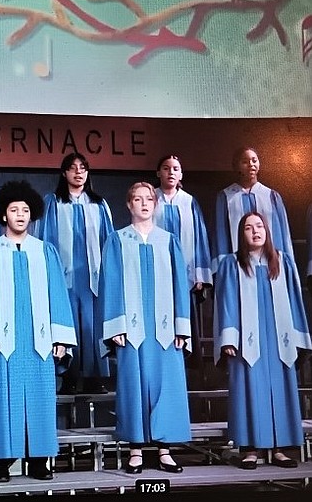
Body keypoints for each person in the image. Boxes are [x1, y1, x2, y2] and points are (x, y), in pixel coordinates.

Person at [0, 180, 76, 483]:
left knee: (40, 400)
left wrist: (61, 338)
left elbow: (58, 294)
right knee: (2, 400)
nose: (21, 215)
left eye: (25, 210)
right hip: (4, 342)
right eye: (14, 210)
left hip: (38, 340)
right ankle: (0, 462)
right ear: (3, 215)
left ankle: (40, 460)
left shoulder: (45, 251)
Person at [99, 182, 191, 474]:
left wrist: (182, 327)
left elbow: (180, 286)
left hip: (165, 330)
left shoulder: (168, 240)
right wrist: (115, 325)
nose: (143, 203)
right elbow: (110, 284)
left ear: (155, 203)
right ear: (128, 205)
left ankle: (165, 450)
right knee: (132, 386)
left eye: (148, 199)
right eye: (137, 199)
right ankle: (135, 449)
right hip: (133, 330)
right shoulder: (117, 240)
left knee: (167, 386)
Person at [214, 212, 312, 470]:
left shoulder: (283, 262)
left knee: (279, 389)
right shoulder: (231, 264)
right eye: (248, 227)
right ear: (241, 234)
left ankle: (279, 448)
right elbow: (225, 302)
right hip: (246, 340)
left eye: (259, 226)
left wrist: (299, 336)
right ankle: (250, 450)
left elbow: (294, 301)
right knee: (248, 389)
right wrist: (228, 337)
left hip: (279, 338)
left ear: (267, 230)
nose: (255, 231)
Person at [38, 152, 113, 394]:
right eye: (73, 168)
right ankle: (68, 377)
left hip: (93, 275)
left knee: (93, 327)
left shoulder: (99, 204)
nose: (78, 172)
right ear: (64, 173)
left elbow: (108, 241)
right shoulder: (52, 202)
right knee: (65, 324)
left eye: (83, 168)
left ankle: (95, 378)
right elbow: (45, 240)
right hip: (65, 275)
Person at [153, 155, 213, 386]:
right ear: (158, 172)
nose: (170, 172)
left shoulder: (189, 202)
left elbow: (199, 238)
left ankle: (189, 373)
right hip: (157, 274)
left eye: (175, 168)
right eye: (165, 168)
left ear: (181, 174)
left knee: (185, 322)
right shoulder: (151, 198)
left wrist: (200, 274)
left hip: (185, 275)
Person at [213, 147, 294, 273]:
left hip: (270, 265)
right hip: (236, 266)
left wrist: (287, 264)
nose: (251, 164)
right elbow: (220, 236)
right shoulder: (225, 197)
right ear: (236, 166)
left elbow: (283, 234)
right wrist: (222, 269)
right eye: (245, 161)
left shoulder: (271, 196)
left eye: (254, 160)